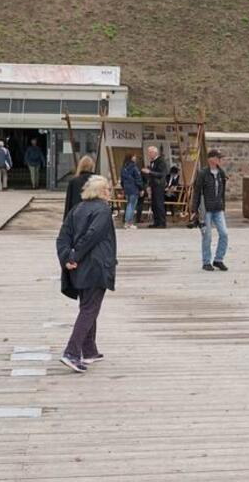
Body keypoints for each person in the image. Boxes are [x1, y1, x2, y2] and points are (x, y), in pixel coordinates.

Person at [56, 175, 116, 373]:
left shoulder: (77, 209)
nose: (110, 193)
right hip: (96, 266)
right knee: (89, 309)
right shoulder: (103, 210)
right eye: (108, 189)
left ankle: (89, 350)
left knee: (88, 306)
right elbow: (93, 235)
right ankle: (71, 352)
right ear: (101, 192)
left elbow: (63, 237)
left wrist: (67, 257)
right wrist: (73, 256)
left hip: (81, 268)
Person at [191, 149, 229, 271]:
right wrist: (194, 210)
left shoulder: (221, 173)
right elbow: (197, 192)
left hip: (218, 208)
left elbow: (222, 192)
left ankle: (218, 259)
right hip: (206, 209)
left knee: (224, 233)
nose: (220, 160)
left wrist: (223, 206)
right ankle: (206, 261)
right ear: (211, 159)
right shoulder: (202, 173)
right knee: (207, 236)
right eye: (218, 157)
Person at [141, 146, 167, 228]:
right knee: (154, 205)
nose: (148, 154)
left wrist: (149, 172)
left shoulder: (161, 161)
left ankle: (162, 223)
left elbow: (162, 174)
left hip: (159, 185)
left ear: (155, 153)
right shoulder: (152, 161)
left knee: (159, 204)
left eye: (150, 152)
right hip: (153, 185)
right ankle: (156, 222)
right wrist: (148, 185)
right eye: (148, 152)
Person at [120, 154, 144, 229]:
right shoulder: (134, 167)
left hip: (127, 189)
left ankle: (127, 223)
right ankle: (128, 223)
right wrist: (141, 189)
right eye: (134, 156)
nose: (135, 158)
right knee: (132, 206)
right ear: (131, 158)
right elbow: (138, 179)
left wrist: (124, 188)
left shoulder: (123, 168)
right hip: (134, 189)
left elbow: (122, 181)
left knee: (129, 205)